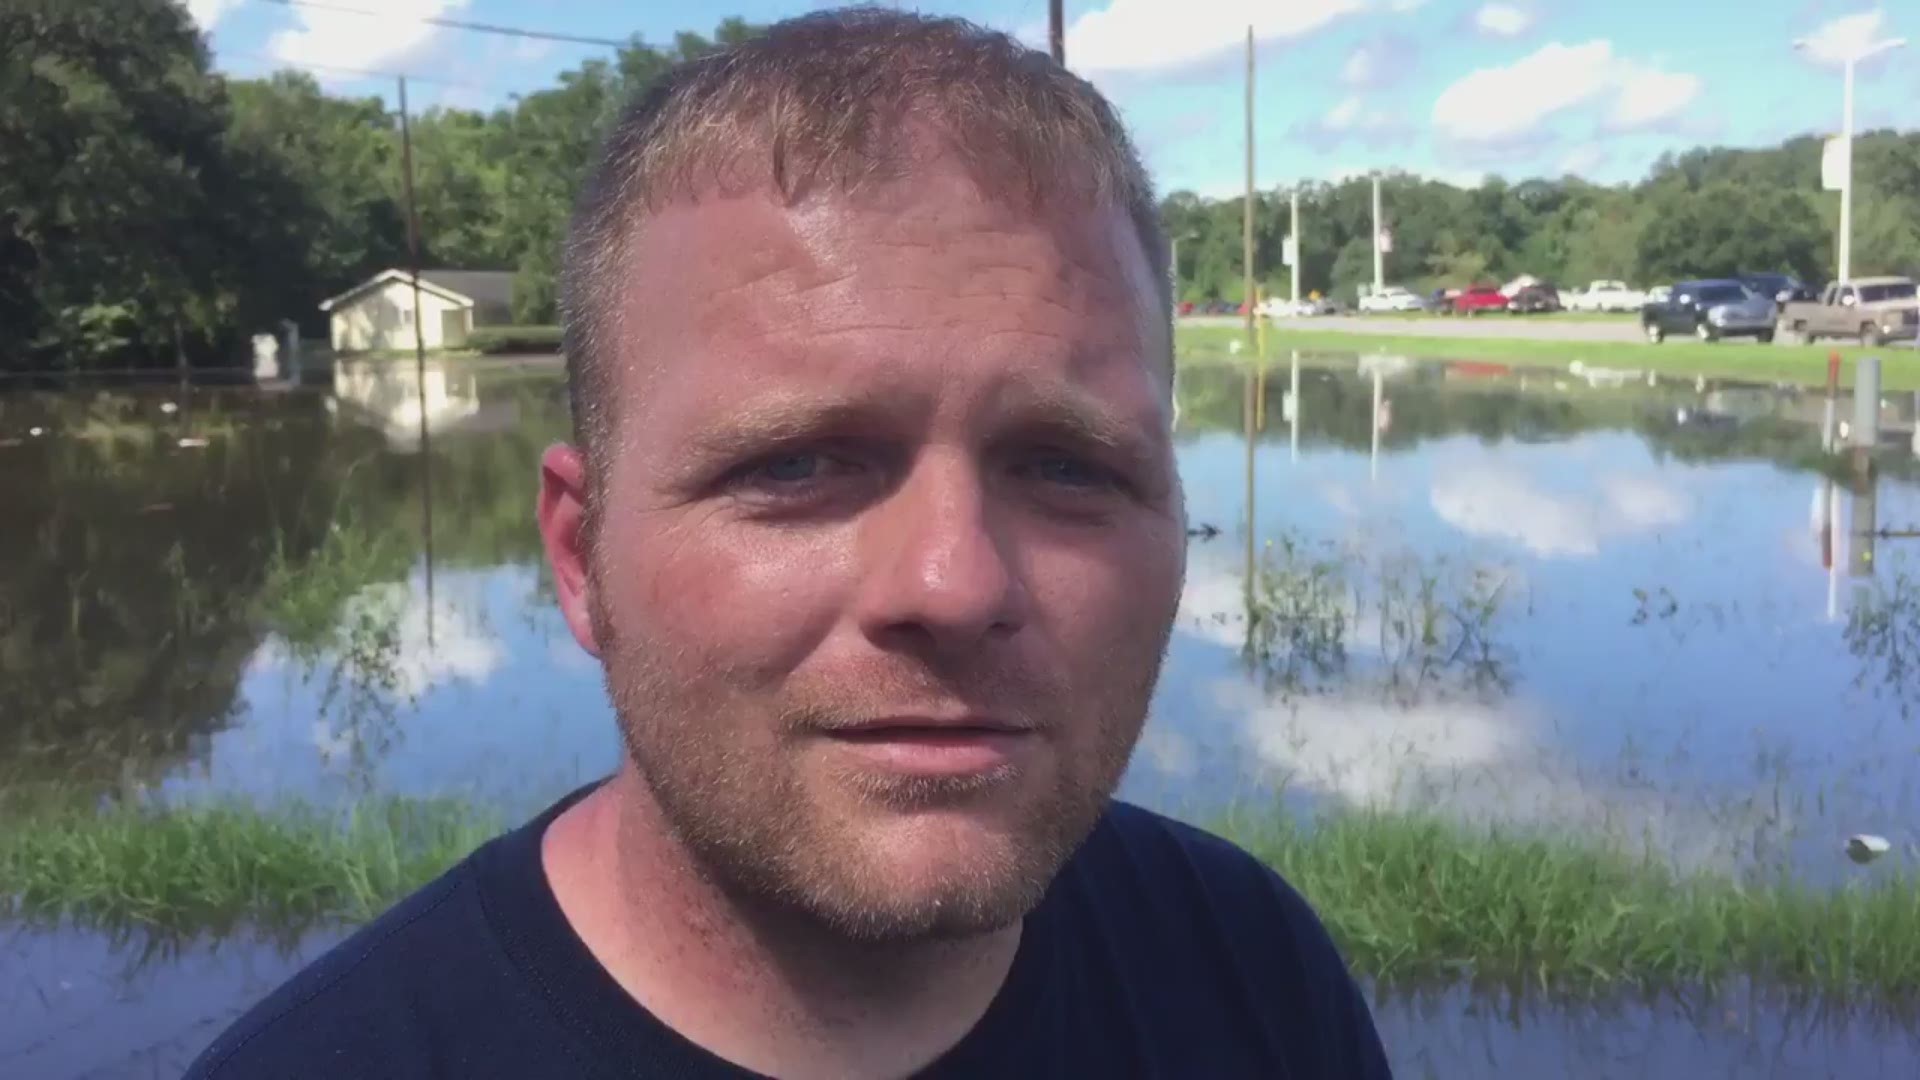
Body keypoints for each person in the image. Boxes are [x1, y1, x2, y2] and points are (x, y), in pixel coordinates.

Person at [187, 10, 1390, 1078]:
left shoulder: (1248, 967)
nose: (954, 584)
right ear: (579, 556)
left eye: (1066, 466)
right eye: (796, 466)